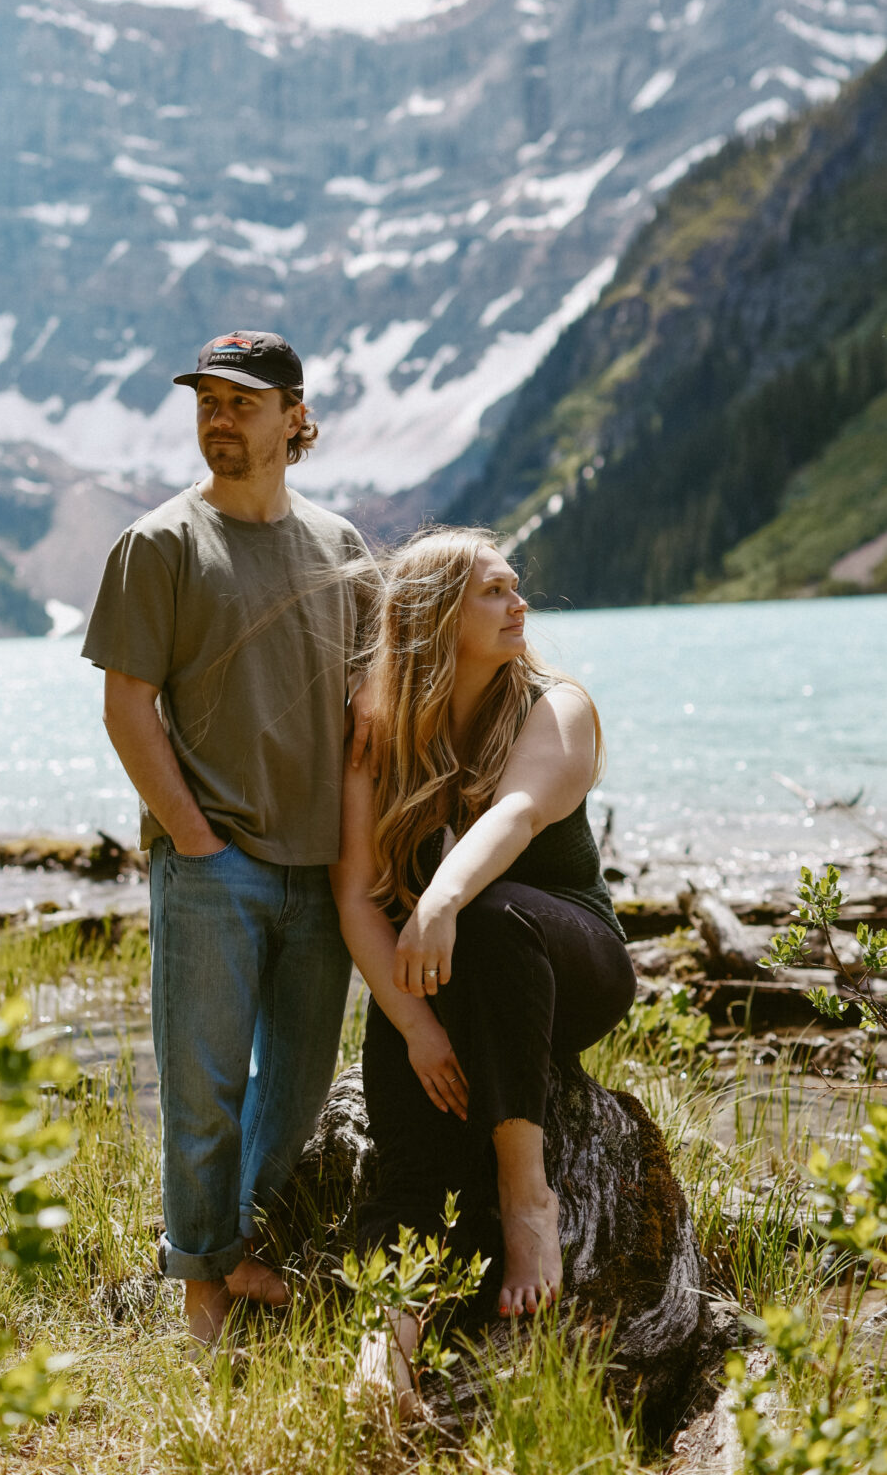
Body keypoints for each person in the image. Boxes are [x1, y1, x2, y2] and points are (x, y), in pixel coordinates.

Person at [82, 329, 373, 1347]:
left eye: (243, 401)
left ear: (295, 418)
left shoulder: (342, 548)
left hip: (325, 871)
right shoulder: (160, 545)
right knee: (202, 1087)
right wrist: (197, 842)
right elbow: (128, 708)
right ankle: (203, 1287)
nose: (219, 417)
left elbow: (372, 704)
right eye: (206, 399)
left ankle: (239, 1244)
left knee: (294, 1085)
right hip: (216, 866)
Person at [330, 528, 636, 1415]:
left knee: (492, 915)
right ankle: (380, 1355)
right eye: (494, 593)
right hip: (445, 986)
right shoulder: (377, 724)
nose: (520, 605)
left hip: (568, 960)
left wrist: (436, 903)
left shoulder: (555, 703)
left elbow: (515, 813)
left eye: (516, 588)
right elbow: (352, 895)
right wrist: (417, 1029)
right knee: (411, 1166)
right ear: (434, 618)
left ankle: (525, 1196)